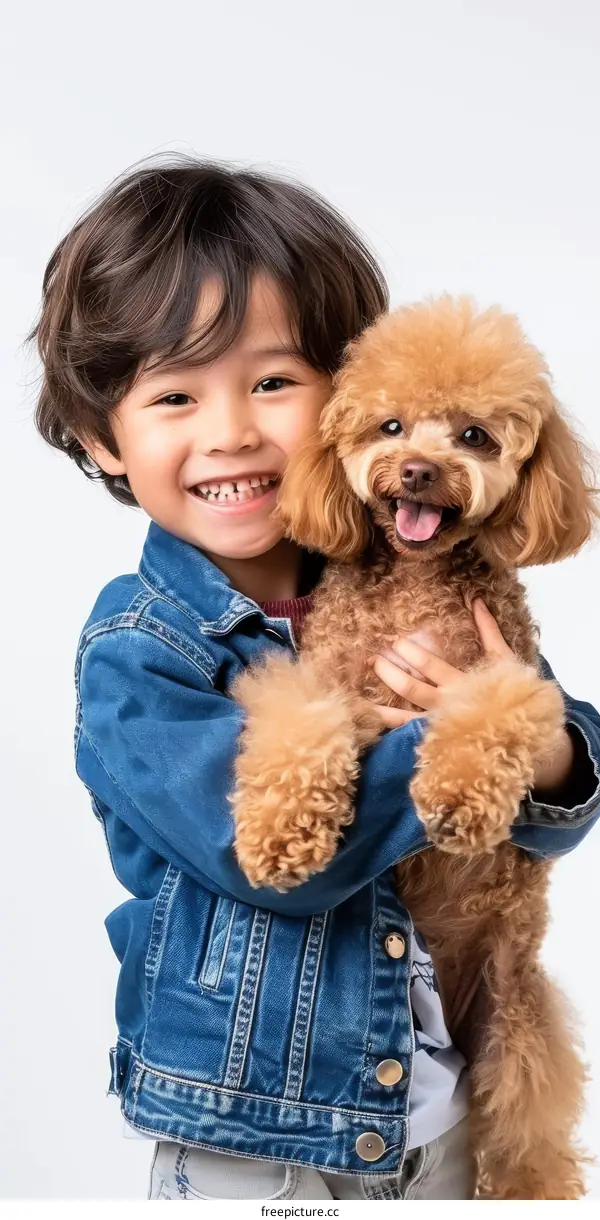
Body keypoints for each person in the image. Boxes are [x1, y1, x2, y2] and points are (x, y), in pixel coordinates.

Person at [33, 158, 600, 1201]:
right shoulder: (139, 649)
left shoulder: (424, 577)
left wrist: (551, 742)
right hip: (258, 1136)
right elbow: (274, 861)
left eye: (274, 380)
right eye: (173, 393)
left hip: (451, 1116)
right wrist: (452, 737)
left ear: (342, 395)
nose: (233, 429)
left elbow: (550, 816)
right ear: (100, 438)